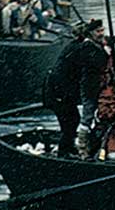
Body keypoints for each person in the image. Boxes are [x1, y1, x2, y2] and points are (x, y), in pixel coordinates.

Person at [42, 19, 111, 158]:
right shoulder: (83, 48)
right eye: (98, 31)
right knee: (70, 122)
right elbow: (96, 63)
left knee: (72, 120)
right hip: (59, 92)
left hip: (61, 91)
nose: (101, 34)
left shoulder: (80, 46)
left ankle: (68, 148)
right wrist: (106, 50)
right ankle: (64, 153)